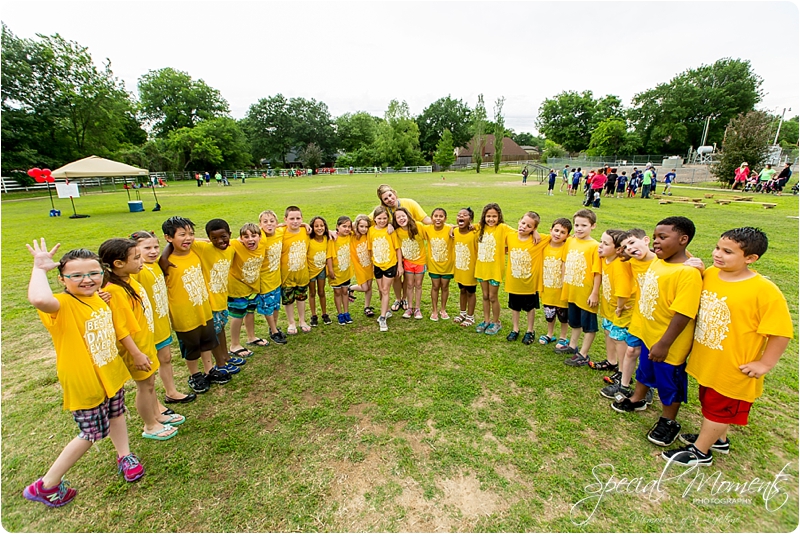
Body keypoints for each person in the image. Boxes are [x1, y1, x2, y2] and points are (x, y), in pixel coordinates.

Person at [662, 227, 793, 466]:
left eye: (728, 252)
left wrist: (765, 363)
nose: (718, 254)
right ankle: (718, 440)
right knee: (709, 402)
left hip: (734, 367)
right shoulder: (712, 273)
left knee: (718, 410)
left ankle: (701, 452)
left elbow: (780, 333)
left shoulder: (765, 291)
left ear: (750, 258)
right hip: (708, 361)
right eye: (718, 248)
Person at [24, 241, 142, 508]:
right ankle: (46, 485)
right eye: (76, 275)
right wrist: (39, 268)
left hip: (108, 372)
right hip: (84, 380)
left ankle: (125, 455)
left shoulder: (98, 297)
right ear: (62, 280)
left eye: (93, 273)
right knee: (91, 434)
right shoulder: (61, 304)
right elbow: (40, 299)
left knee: (117, 412)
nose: (87, 279)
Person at [612, 217, 703, 450]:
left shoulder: (687, 272)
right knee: (644, 370)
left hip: (668, 343)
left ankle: (669, 421)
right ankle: (638, 398)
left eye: (663, 237)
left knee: (668, 382)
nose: (656, 242)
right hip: (647, 333)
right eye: (654, 237)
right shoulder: (658, 262)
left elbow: (683, 313)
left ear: (683, 240)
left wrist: (664, 343)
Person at [98, 239, 181, 441]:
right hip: (136, 348)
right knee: (145, 386)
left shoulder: (129, 280)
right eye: (136, 258)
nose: (141, 260)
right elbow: (121, 329)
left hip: (145, 342)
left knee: (151, 383)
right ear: (118, 263)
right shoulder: (115, 291)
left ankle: (157, 414)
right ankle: (150, 425)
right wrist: (136, 353)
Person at [130, 231, 196, 405]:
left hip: (162, 323)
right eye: (147, 248)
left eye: (155, 247)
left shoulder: (159, 264)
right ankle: (154, 405)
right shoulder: (136, 271)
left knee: (166, 359)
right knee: (148, 371)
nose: (153, 251)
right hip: (146, 329)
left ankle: (171, 392)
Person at [160, 216, 222, 395]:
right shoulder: (166, 262)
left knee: (207, 342)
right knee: (192, 347)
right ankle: (195, 375)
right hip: (184, 314)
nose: (188, 238)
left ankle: (209, 370)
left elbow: (207, 241)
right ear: (168, 237)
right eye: (182, 234)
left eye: (191, 234)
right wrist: (165, 253)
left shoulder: (195, 251)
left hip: (203, 308)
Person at [188, 220, 243, 374]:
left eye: (223, 237)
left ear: (230, 234)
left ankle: (225, 356)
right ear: (209, 238)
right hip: (209, 302)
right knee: (214, 334)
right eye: (214, 238)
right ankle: (219, 363)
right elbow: (187, 240)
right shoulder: (205, 248)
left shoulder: (230, 249)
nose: (220, 241)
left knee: (221, 329)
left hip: (222, 298)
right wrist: (205, 240)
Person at [556, 209, 602, 366]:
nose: (579, 228)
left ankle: (584, 354)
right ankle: (573, 346)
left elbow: (597, 272)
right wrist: (563, 280)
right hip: (572, 289)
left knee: (588, 324)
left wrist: (595, 293)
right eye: (576, 225)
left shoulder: (595, 246)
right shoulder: (570, 241)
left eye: (584, 225)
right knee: (574, 321)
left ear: (593, 226)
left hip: (586, 292)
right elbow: (564, 261)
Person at [588, 229, 633, 374]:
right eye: (600, 241)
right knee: (608, 332)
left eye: (605, 244)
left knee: (619, 339)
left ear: (618, 249)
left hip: (622, 308)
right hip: (609, 306)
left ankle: (622, 371)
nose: (600, 246)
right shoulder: (604, 258)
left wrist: (619, 307)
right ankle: (611, 361)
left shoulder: (620, 265)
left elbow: (623, 292)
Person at [503, 212, 549, 345]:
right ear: (519, 221)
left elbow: (559, 237)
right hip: (514, 283)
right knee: (515, 308)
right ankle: (515, 329)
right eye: (523, 223)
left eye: (529, 226)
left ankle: (530, 330)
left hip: (529, 285)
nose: (524, 227)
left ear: (533, 229)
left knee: (530, 308)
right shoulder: (510, 236)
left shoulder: (539, 240)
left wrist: (536, 233)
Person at [224, 223, 266, 357]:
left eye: (253, 236)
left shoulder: (263, 242)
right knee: (237, 315)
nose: (250, 239)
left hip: (253, 287)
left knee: (250, 312)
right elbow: (211, 241)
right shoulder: (235, 245)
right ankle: (234, 345)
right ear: (240, 238)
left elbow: (275, 227)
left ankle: (251, 337)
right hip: (237, 288)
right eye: (245, 237)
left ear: (259, 237)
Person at [474, 203, 514, 335]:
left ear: (499, 217)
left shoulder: (502, 228)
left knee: (492, 296)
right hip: (481, 268)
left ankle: (496, 322)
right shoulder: (480, 227)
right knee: (485, 296)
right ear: (484, 217)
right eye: (488, 216)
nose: (491, 219)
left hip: (495, 270)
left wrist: (535, 232)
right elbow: (465, 227)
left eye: (494, 216)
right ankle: (486, 320)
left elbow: (518, 234)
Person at [369, 206, 403, 332]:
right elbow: (370, 248)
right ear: (374, 219)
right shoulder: (371, 230)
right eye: (379, 218)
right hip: (377, 264)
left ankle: (382, 317)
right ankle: (387, 310)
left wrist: (399, 265)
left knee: (385, 290)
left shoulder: (390, 231)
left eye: (385, 218)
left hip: (390, 264)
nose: (382, 221)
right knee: (380, 289)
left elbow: (397, 248)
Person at [257, 210, 289, 344]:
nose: (269, 224)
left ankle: (273, 327)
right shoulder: (259, 237)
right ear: (260, 224)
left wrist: (305, 224)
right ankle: (274, 331)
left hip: (277, 278)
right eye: (265, 221)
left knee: (276, 305)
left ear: (276, 223)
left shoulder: (280, 232)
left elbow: (288, 225)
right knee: (268, 307)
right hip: (265, 279)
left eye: (271, 221)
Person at [539, 218, 571, 347]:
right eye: (556, 230)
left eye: (562, 232)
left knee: (563, 316)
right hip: (547, 287)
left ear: (567, 236)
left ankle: (563, 337)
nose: (558, 234)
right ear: (550, 230)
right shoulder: (544, 245)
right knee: (549, 314)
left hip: (561, 289)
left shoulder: (567, 247)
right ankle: (549, 334)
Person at [281, 206, 311, 334]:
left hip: (302, 274)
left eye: (298, 218)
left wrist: (304, 224)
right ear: (285, 219)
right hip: (286, 275)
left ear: (302, 219)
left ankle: (302, 320)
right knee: (288, 300)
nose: (295, 221)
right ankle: (291, 322)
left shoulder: (305, 230)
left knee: (301, 298)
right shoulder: (281, 232)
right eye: (291, 218)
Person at [394, 207, 427, 319]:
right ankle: (409, 308)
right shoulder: (397, 232)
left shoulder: (418, 226)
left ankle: (417, 308)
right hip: (407, 262)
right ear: (395, 220)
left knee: (418, 285)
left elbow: (431, 233)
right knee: (409, 285)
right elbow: (398, 249)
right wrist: (399, 265)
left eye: (403, 216)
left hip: (420, 261)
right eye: (398, 217)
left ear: (408, 216)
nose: (401, 218)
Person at [425, 208, 455, 321]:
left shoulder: (449, 229)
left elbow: (461, 227)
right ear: (431, 218)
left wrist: (453, 227)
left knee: (445, 287)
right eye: (435, 216)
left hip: (447, 265)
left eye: (441, 216)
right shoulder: (427, 229)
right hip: (434, 265)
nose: (438, 218)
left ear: (445, 218)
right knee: (435, 286)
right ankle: (434, 310)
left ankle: (443, 309)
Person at [452, 207, 478, 328]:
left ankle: (470, 316)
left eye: (465, 215)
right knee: (462, 291)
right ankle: (462, 313)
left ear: (471, 219)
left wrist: (476, 226)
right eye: (459, 215)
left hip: (471, 269)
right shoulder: (455, 231)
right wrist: (452, 228)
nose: (461, 216)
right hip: (459, 268)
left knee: (470, 293)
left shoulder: (474, 233)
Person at [327, 216, 354, 325]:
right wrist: (330, 270)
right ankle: (340, 313)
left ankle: (346, 312)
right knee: (337, 292)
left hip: (346, 271)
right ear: (337, 227)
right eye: (344, 226)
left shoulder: (350, 236)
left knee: (345, 291)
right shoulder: (333, 239)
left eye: (349, 227)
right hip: (336, 271)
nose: (347, 229)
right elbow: (328, 256)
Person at [349, 214, 376, 318]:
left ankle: (367, 307)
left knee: (369, 287)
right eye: (361, 226)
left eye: (366, 227)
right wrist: (356, 225)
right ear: (357, 226)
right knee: (364, 287)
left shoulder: (369, 234)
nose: (364, 229)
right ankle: (350, 288)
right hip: (359, 265)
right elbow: (348, 224)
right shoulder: (353, 235)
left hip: (369, 265)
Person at [307, 216, 331, 326]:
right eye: (316, 226)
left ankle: (324, 314)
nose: (319, 228)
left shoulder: (327, 238)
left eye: (322, 225)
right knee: (312, 293)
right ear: (312, 228)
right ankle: (313, 315)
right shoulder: (309, 239)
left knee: (321, 292)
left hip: (321, 270)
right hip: (310, 270)